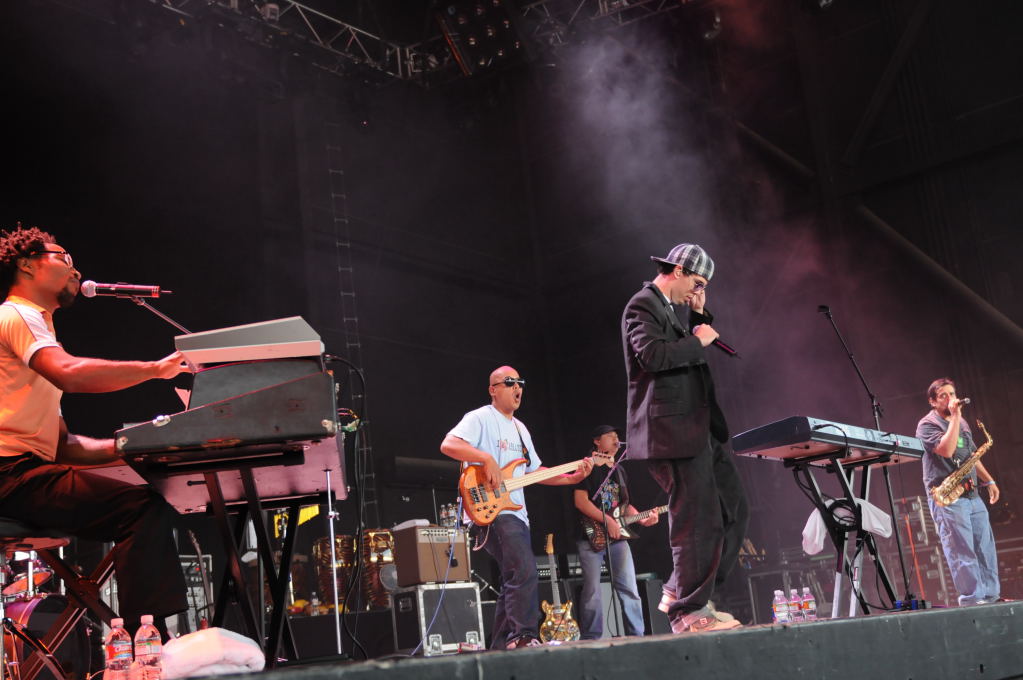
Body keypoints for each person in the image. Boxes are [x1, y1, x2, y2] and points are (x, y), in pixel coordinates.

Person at [0, 225, 190, 637]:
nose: (75, 269)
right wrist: (155, 370)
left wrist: (136, 444)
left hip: (22, 473)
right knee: (140, 508)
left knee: (142, 505)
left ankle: (146, 640)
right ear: (27, 265)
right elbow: (69, 373)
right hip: (9, 474)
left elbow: (64, 446)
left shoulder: (35, 329)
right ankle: (148, 643)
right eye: (64, 258)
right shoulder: (18, 315)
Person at [620, 243, 748, 633]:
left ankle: (683, 589)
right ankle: (689, 612)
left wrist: (698, 318)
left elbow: (679, 355)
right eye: (698, 283)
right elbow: (653, 357)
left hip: (697, 429)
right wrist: (700, 339)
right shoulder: (642, 305)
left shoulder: (668, 311)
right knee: (695, 520)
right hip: (671, 431)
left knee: (733, 508)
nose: (698, 291)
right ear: (678, 270)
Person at [440, 365, 593, 649]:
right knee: (523, 570)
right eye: (509, 382)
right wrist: (486, 459)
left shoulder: (521, 429)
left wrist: (572, 478)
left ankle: (500, 647)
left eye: (519, 382)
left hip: (517, 513)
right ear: (493, 390)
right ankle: (522, 636)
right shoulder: (480, 418)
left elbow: (535, 472)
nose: (516, 387)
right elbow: (448, 444)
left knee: (514, 577)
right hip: (492, 511)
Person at [915, 378, 1001, 605]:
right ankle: (972, 600)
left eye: (952, 393)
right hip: (948, 498)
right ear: (932, 401)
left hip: (972, 494)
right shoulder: (927, 424)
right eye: (943, 395)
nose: (950, 398)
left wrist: (989, 481)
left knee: (985, 548)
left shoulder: (961, 422)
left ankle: (991, 597)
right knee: (961, 551)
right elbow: (946, 449)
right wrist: (954, 417)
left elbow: (971, 456)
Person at [573, 424, 658, 639]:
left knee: (630, 589)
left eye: (617, 436)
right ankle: (591, 639)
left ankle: (637, 637)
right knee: (592, 591)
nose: (616, 439)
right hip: (590, 537)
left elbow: (624, 505)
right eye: (610, 436)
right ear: (596, 441)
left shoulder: (619, 470)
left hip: (617, 538)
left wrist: (643, 518)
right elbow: (580, 501)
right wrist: (607, 520)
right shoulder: (587, 466)